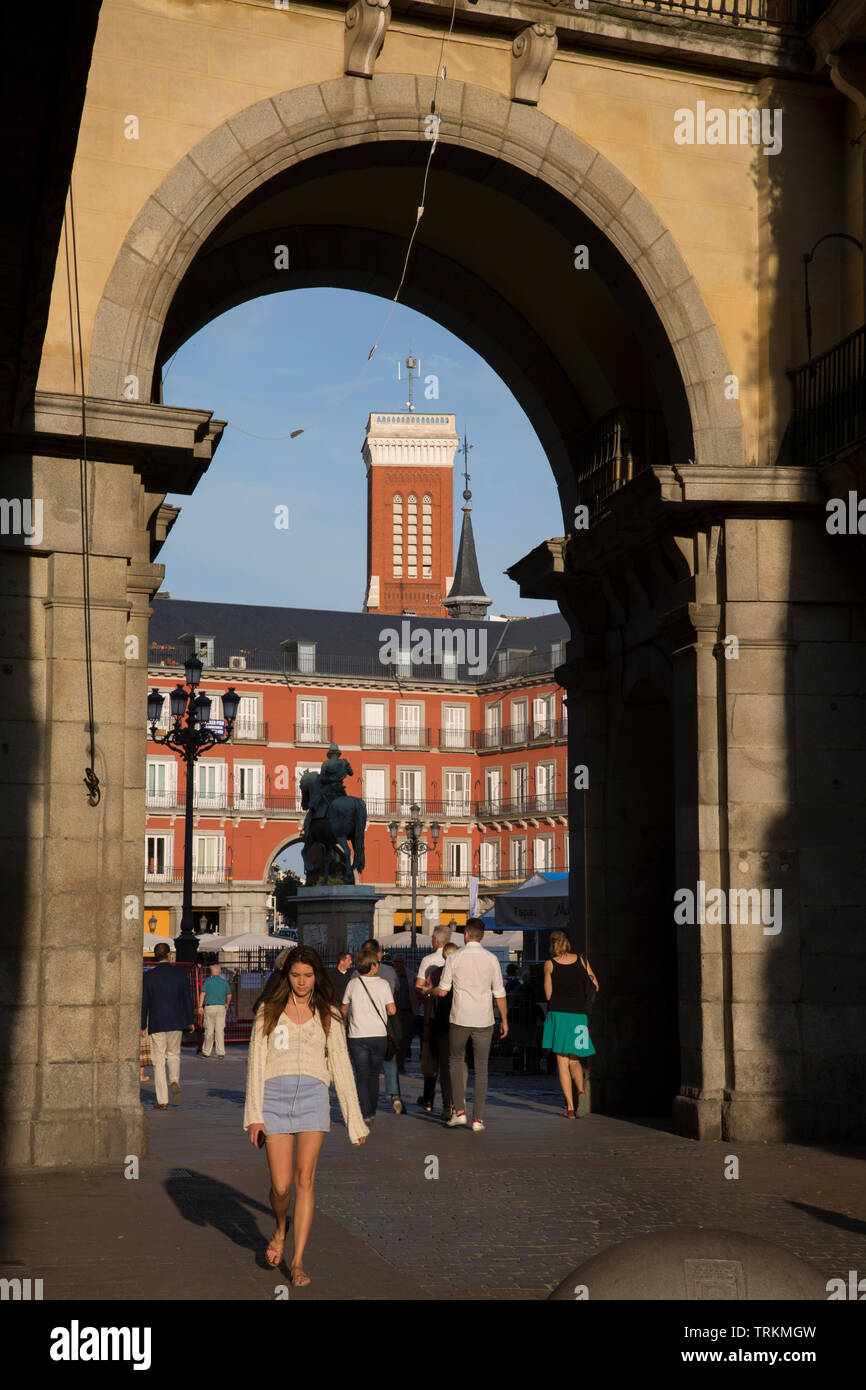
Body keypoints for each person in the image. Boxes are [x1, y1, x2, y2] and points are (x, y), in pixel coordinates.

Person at [244, 945, 367, 1285]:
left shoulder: (329, 1013)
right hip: (274, 1100)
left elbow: (341, 1066)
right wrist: (254, 1114)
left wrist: (354, 1120)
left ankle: (297, 1261)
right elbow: (256, 1064)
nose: (301, 982)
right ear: (287, 976)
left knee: (305, 1180)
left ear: (317, 977)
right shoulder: (268, 1011)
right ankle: (280, 1227)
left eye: (308, 976)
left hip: (314, 1097)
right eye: (296, 975)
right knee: (281, 1187)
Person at [435, 919, 507, 1132]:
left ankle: (459, 1112)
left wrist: (430, 992)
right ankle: (478, 1119)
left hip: (459, 1018)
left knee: (456, 1062)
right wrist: (505, 1019)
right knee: (482, 1068)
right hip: (484, 1019)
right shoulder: (492, 959)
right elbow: (500, 993)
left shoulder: (454, 957)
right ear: (481, 936)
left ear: (466, 934)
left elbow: (444, 989)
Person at [542, 930, 598, 1117]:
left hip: (559, 1013)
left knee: (562, 1060)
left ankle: (571, 1107)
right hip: (578, 1014)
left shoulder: (549, 965)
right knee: (575, 1058)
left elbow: (548, 995)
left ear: (552, 945)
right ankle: (581, 1090)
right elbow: (595, 984)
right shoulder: (582, 960)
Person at [342, 949, 400, 1121]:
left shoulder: (353, 984)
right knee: (374, 1075)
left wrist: (346, 1021)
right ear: (373, 965)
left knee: (361, 1075)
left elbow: (343, 1008)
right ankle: (371, 1111)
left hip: (357, 1035)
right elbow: (392, 1010)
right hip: (378, 1035)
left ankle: (365, 1112)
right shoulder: (383, 984)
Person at [140, 941, 195, 1109]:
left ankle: (162, 1100)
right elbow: (187, 997)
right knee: (174, 1053)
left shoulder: (149, 976)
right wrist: (190, 1020)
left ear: (155, 956)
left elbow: (144, 1002)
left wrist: (143, 1025)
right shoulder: (179, 974)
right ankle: (174, 1079)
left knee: (158, 1060)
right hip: (176, 1020)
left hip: (157, 1021)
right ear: (169, 955)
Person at [354, 938, 404, 1113]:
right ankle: (394, 1094)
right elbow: (395, 994)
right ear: (379, 954)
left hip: (360, 1026)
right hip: (384, 1023)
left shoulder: (355, 976)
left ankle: (364, 1098)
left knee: (363, 1066)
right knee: (390, 1061)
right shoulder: (390, 971)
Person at [421, 941, 462, 1118]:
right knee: (460, 1064)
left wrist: (427, 1024)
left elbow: (429, 1000)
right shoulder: (463, 974)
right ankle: (459, 1103)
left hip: (442, 1021)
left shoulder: (436, 973)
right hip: (461, 1021)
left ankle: (447, 1106)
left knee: (445, 1065)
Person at [414, 924, 452, 1110]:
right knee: (449, 1060)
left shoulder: (428, 960)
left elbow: (419, 987)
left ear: (436, 941)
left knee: (430, 1057)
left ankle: (428, 1097)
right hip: (453, 1017)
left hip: (431, 1015)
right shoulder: (456, 958)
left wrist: (424, 995)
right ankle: (451, 1101)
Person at [198, 964, 232, 1058]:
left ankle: (206, 1052)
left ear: (211, 972)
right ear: (219, 971)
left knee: (209, 1031)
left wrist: (200, 1006)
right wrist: (227, 1003)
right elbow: (229, 995)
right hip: (221, 1008)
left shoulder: (207, 981)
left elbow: (203, 994)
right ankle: (221, 1053)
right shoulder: (224, 982)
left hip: (209, 1007)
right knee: (219, 1030)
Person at [391, 955, 415, 1070]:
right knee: (394, 1037)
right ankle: (394, 1062)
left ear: (404, 964)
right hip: (394, 1012)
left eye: (399, 962)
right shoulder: (391, 976)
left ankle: (400, 1063)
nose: (396, 964)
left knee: (405, 1039)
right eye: (395, 962)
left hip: (407, 1012)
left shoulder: (411, 976)